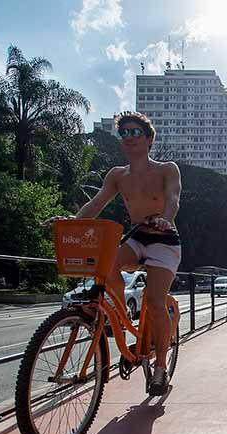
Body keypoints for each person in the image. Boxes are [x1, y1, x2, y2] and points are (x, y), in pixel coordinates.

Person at [45, 111, 181, 396]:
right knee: (105, 266)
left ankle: (160, 369)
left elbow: (173, 199)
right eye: (125, 134)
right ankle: (123, 320)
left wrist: (166, 218)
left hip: (164, 239)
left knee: (156, 303)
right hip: (136, 237)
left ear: (149, 139)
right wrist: (70, 221)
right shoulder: (118, 176)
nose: (129, 138)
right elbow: (95, 205)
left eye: (135, 133)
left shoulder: (167, 169)